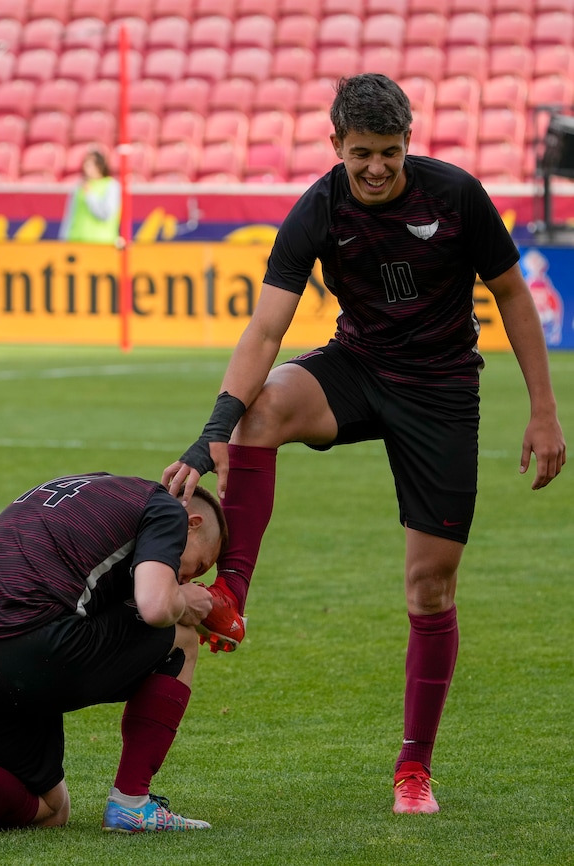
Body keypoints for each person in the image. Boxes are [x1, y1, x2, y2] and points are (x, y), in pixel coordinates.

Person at [162, 74, 567, 814]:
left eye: (388, 152)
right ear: (334, 145)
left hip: (442, 389)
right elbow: (265, 330)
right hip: (357, 365)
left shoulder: (455, 196)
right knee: (260, 412)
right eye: (360, 155)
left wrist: (544, 410)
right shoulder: (318, 208)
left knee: (431, 584)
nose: (375, 167)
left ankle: (413, 768)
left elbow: (511, 293)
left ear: (409, 141)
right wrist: (210, 431)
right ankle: (233, 596)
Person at [0, 471, 228, 842]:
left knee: (49, 809)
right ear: (191, 524)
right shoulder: (167, 510)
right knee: (182, 637)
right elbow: (155, 607)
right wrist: (186, 602)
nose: (189, 577)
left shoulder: (95, 490)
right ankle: (133, 803)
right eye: (199, 566)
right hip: (37, 644)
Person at [59, 149, 123, 246]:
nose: (86, 168)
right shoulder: (79, 187)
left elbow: (106, 214)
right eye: (85, 164)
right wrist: (64, 238)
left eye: (90, 165)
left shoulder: (111, 185)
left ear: (100, 166)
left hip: (101, 243)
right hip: (76, 242)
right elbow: (70, 216)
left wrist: (90, 195)